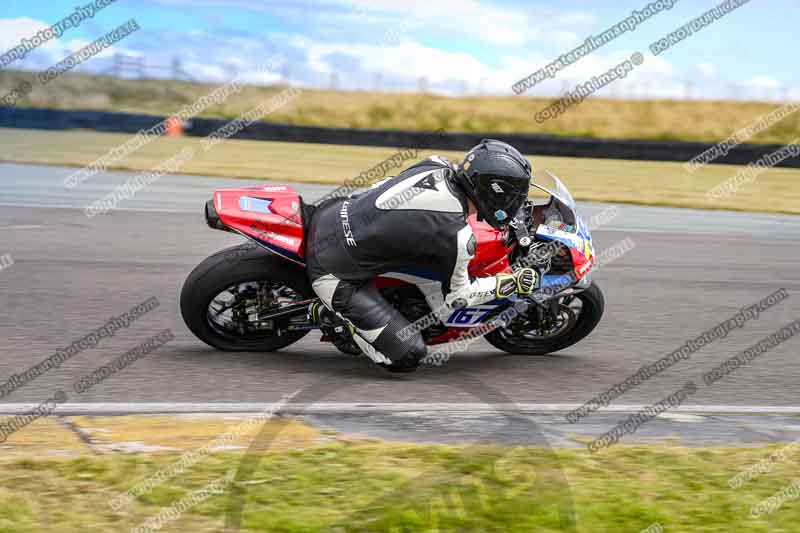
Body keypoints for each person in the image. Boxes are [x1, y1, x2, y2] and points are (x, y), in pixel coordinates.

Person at [306, 139, 537, 372]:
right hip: (334, 271)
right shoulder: (457, 235)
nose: (514, 204)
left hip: (332, 211)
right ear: (492, 192)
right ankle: (335, 320)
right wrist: (511, 282)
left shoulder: (437, 164)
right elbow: (458, 297)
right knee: (409, 356)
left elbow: (385, 184)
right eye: (511, 197)